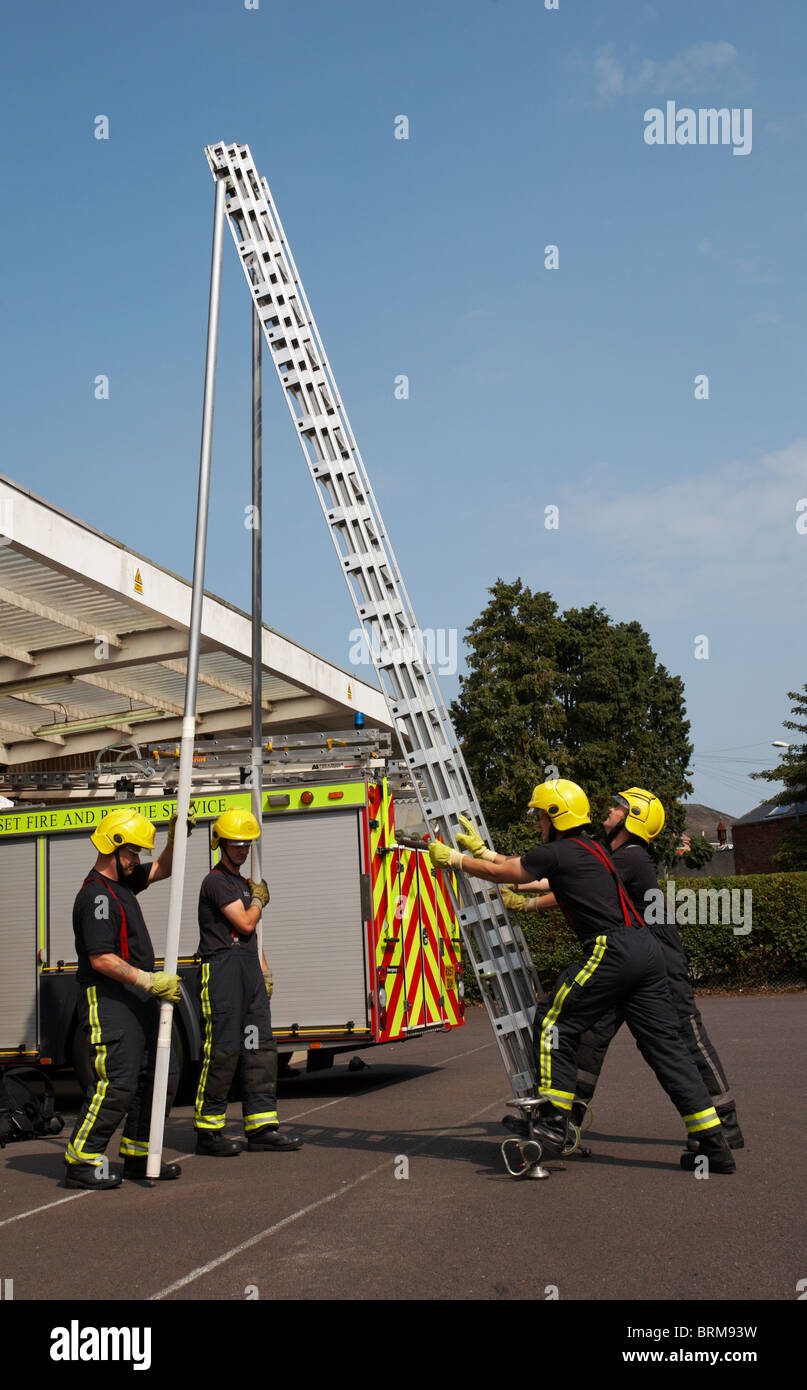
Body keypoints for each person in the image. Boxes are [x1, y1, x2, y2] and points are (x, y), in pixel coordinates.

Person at [431, 779, 736, 1173]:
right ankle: (714, 1144)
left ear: (556, 816)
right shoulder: (593, 849)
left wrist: (454, 859)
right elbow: (533, 870)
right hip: (646, 954)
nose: (538, 822)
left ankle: (555, 1124)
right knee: (667, 1049)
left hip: (613, 951)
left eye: (541, 815)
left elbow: (512, 873)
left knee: (554, 1021)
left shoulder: (562, 851)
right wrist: (483, 852)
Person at [503, 788, 744, 1148]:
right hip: (633, 958)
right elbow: (569, 881)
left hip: (657, 957)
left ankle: (724, 1124)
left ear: (633, 820)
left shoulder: (630, 857)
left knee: (683, 1036)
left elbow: (565, 880)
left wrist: (521, 893)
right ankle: (561, 1120)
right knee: (591, 1036)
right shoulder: (612, 854)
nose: (610, 811)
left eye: (619, 808)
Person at [64, 807, 186, 1189]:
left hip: (136, 999)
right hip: (110, 1000)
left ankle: (138, 1154)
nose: (136, 860)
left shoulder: (121, 882)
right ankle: (82, 1158)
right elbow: (101, 958)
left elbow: (162, 870)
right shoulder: (96, 896)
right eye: (131, 852)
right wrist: (149, 981)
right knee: (117, 1081)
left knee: (155, 1077)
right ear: (113, 849)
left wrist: (174, 839)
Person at [193, 808, 302, 1156]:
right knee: (223, 1052)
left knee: (259, 1051)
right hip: (222, 972)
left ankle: (262, 1127)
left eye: (246, 845)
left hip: (248, 972)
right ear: (221, 844)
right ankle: (208, 1132)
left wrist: (264, 972)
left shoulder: (242, 883)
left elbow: (254, 939)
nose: (242, 850)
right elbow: (244, 924)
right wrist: (258, 900)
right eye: (236, 844)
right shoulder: (216, 882)